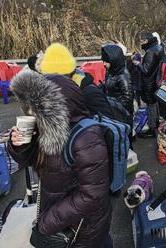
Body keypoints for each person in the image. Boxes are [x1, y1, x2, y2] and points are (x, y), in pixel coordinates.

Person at [9, 70, 112, 247]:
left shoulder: (87, 137)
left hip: (83, 226)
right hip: (61, 214)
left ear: (57, 108)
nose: (32, 114)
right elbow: (31, 161)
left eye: (38, 108)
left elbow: (92, 194)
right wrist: (20, 145)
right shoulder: (48, 130)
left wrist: (47, 223)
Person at [133, 32, 163, 138]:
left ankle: (152, 128)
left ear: (149, 40)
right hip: (156, 82)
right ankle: (155, 127)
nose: (142, 43)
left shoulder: (150, 51)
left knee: (151, 106)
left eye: (144, 40)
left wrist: (137, 63)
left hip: (150, 83)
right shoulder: (158, 48)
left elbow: (146, 70)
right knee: (155, 106)